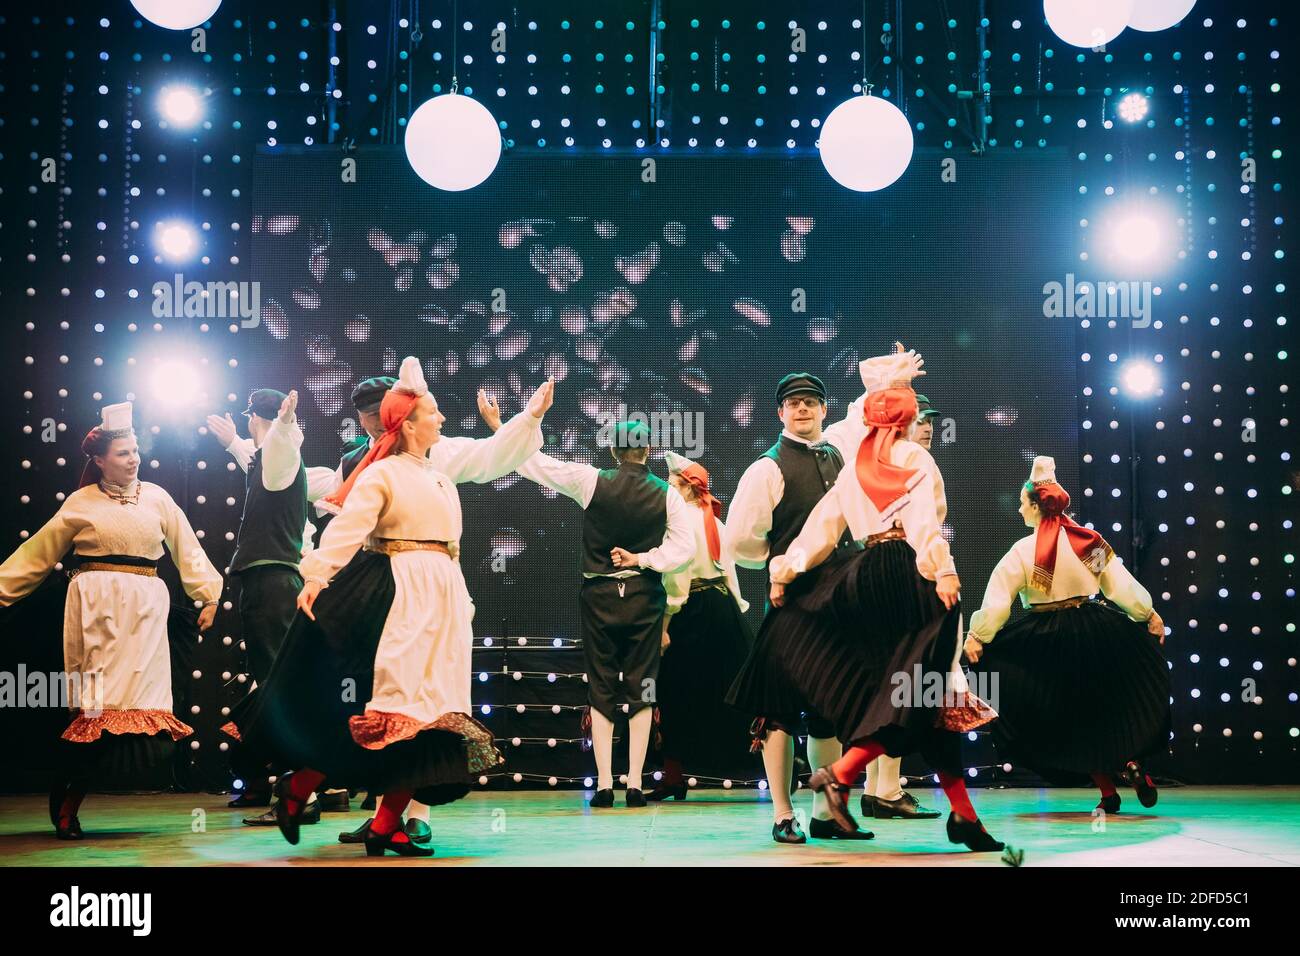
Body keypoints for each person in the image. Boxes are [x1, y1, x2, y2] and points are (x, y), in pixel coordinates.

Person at [227, 358, 554, 856]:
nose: (443, 419)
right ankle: (301, 787)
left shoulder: (441, 473)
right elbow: (346, 529)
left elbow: (492, 456)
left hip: (443, 598)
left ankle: (386, 824)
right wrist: (316, 576)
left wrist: (529, 417)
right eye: (435, 411)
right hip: (401, 596)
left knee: (435, 716)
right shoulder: (380, 475)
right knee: (395, 713)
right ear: (410, 423)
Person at [739, 348, 1009, 854]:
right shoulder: (914, 459)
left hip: (863, 579)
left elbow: (821, 529)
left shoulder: (853, 468)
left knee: (921, 698)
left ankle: (962, 815)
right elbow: (926, 522)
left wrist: (784, 571)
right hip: (909, 577)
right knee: (921, 692)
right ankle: (841, 775)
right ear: (906, 419)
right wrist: (943, 571)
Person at [0, 402, 222, 839]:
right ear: (100, 460)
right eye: (123, 453)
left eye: (135, 450)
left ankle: (86, 788)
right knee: (95, 709)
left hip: (145, 613)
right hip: (96, 613)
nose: (133, 459)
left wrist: (208, 596)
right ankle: (68, 801)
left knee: (138, 707)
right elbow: (40, 554)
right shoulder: (81, 502)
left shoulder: (158, 497)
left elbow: (188, 550)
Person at [726, 369, 929, 844]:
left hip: (841, 601)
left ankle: (824, 811)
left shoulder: (841, 449)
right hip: (793, 599)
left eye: (810, 402)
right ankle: (781, 813)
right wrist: (779, 561)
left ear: (822, 409)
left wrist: (894, 374)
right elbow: (738, 541)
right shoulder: (767, 468)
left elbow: (866, 409)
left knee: (830, 709)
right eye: (793, 402)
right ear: (780, 412)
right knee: (777, 709)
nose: (802, 409)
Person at [503, 418, 694, 808]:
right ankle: (637, 783)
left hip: (600, 596)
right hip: (644, 596)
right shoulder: (667, 494)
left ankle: (605, 783)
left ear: (612, 451)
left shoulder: (591, 480)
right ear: (650, 452)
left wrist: (504, 431)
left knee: (601, 685)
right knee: (644, 687)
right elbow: (683, 549)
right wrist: (644, 558)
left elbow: (536, 465)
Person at [964, 456, 1169, 813]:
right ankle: (1127, 767)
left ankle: (1108, 789)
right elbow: (1119, 585)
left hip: (1046, 644)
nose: (1018, 509)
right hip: (1096, 631)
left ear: (1035, 507)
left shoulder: (1022, 551)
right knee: (1104, 710)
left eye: (1022, 502)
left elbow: (998, 605)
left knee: (1068, 720)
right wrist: (1147, 613)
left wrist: (977, 636)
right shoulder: (1088, 544)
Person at [208, 388, 345, 821]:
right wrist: (235, 442)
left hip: (271, 584)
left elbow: (278, 451)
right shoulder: (264, 462)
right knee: (274, 684)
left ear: (254, 419)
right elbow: (262, 456)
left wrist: (284, 424)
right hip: (269, 581)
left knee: (277, 688)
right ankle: (311, 782)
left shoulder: (280, 458)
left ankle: (301, 792)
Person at [646, 451, 754, 799]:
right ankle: (765, 763)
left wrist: (664, 625)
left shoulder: (679, 524)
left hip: (690, 613)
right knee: (734, 690)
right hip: (723, 610)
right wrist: (737, 613)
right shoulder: (717, 524)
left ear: (690, 491)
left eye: (675, 484)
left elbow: (677, 581)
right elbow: (732, 575)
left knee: (677, 691)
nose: (668, 489)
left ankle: (673, 776)